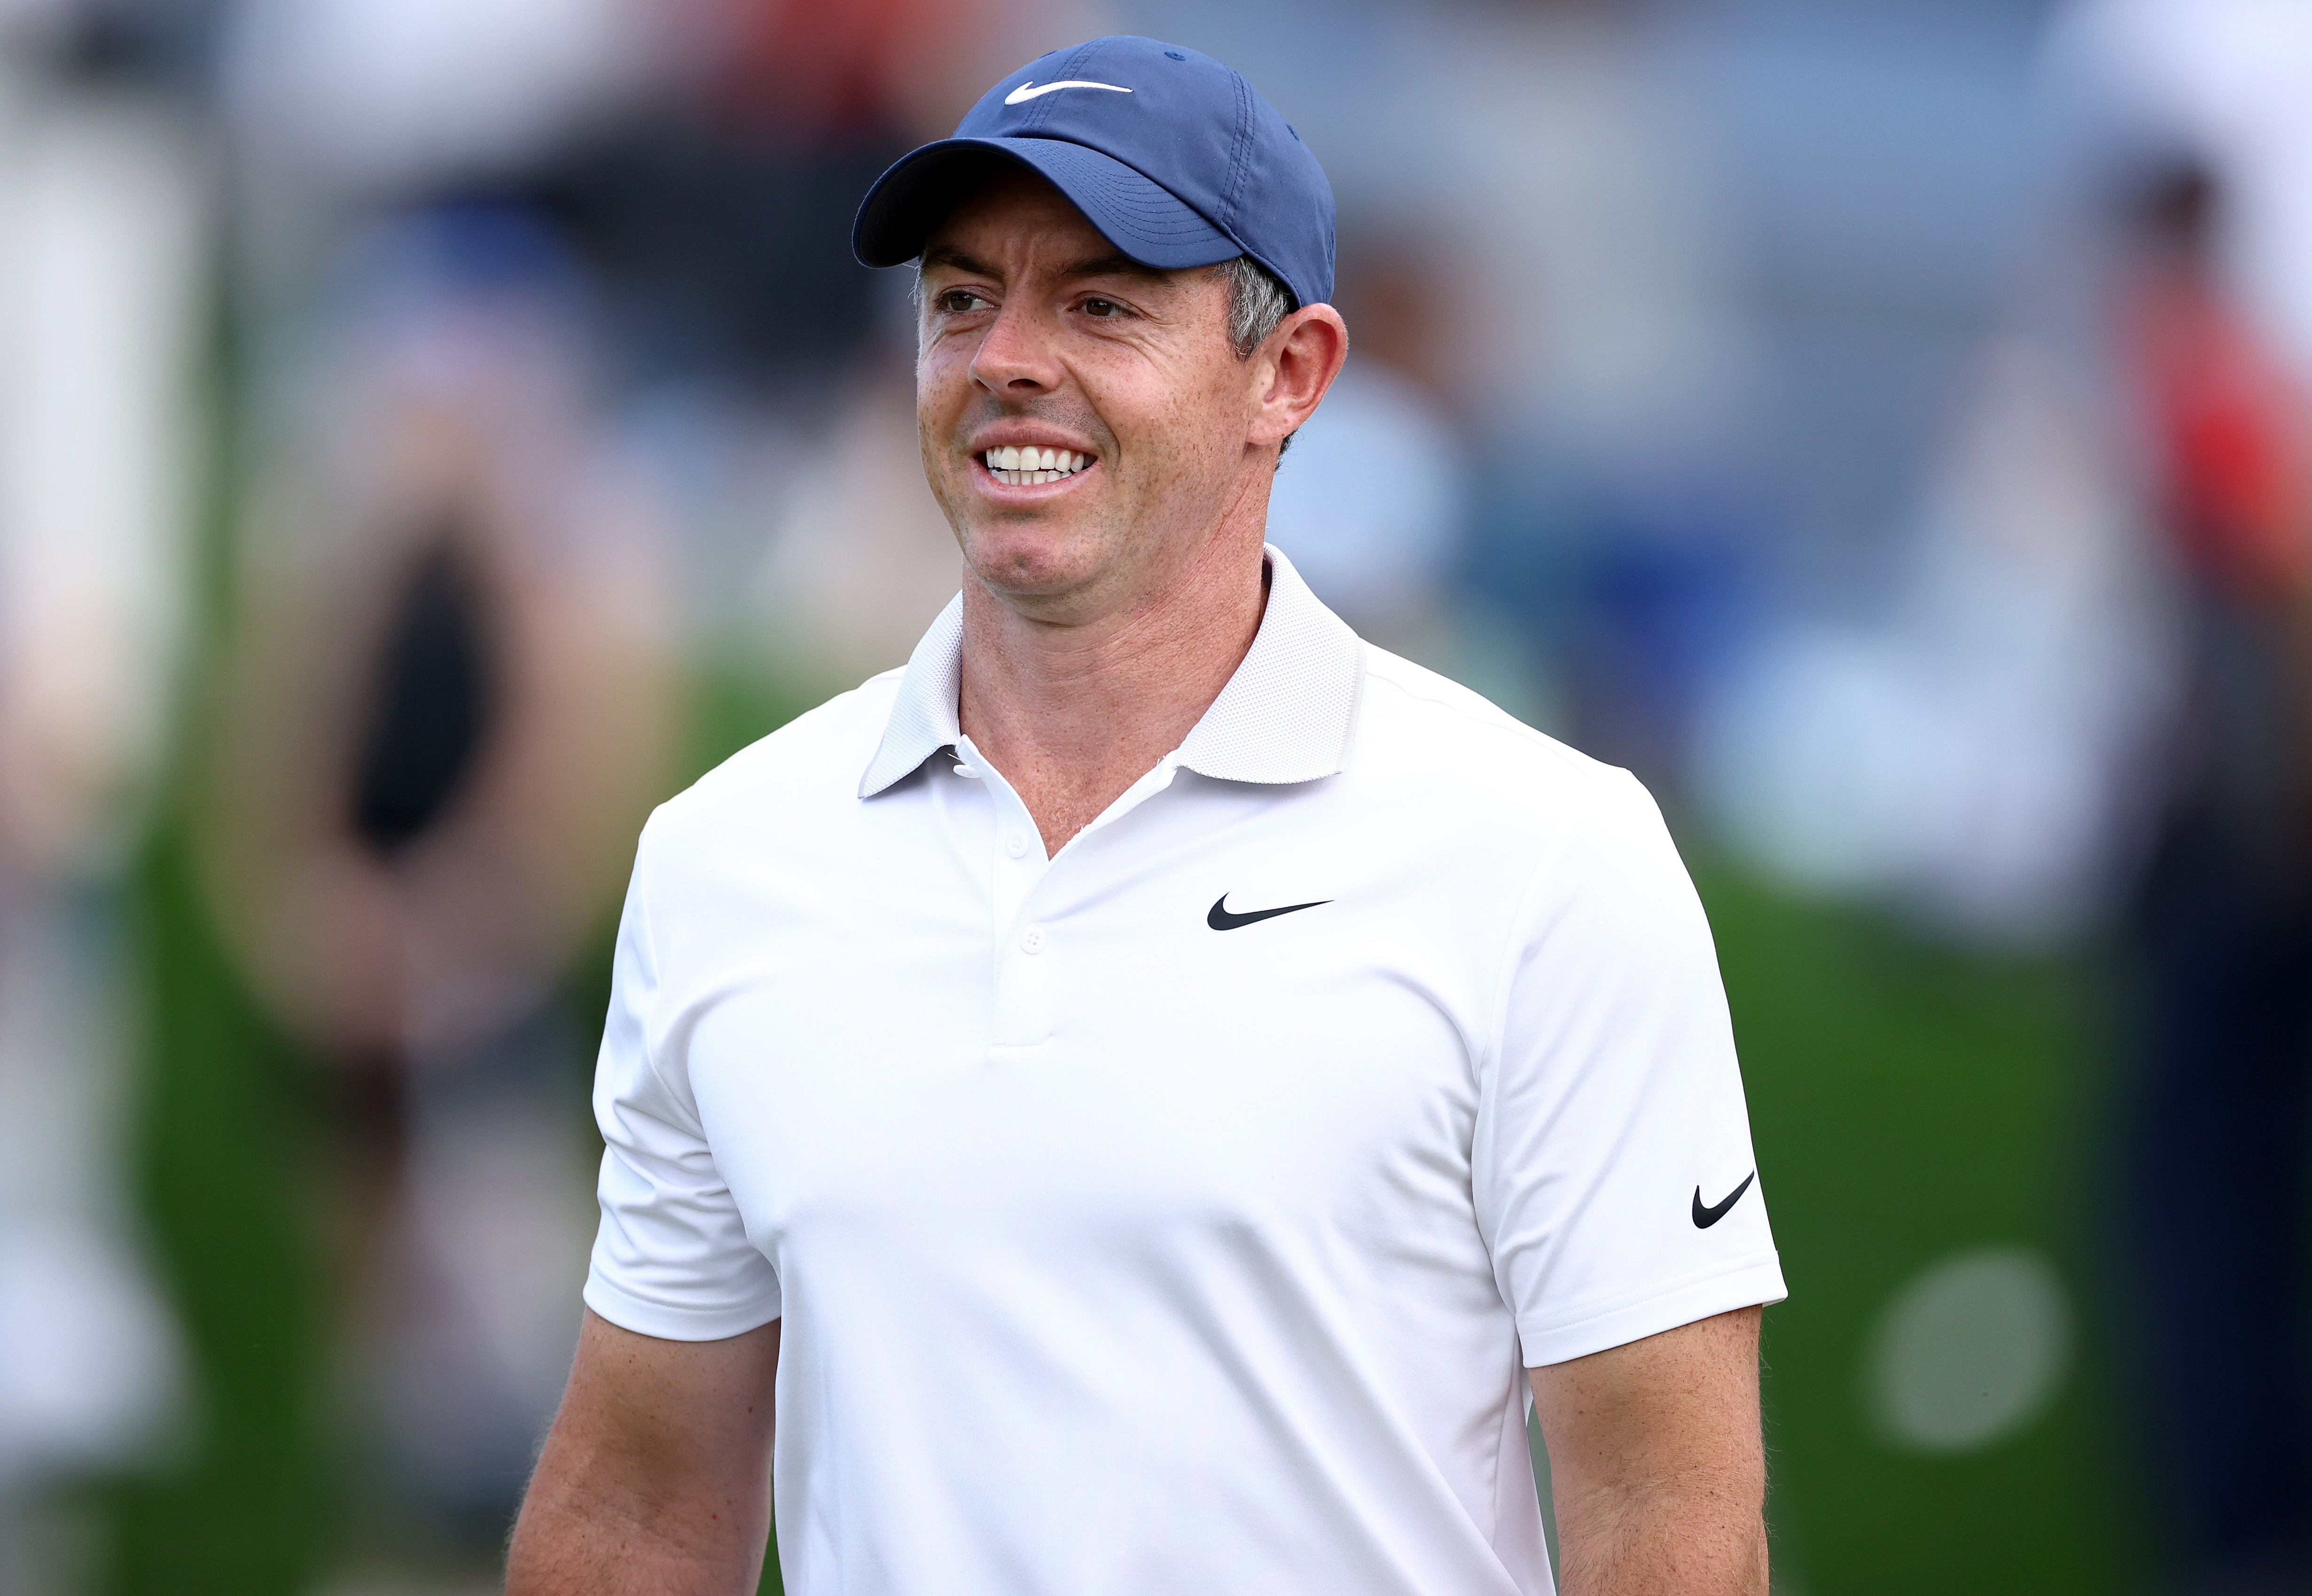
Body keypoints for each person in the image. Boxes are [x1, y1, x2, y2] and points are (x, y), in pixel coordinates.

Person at [507, 35, 1784, 1596]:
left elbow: (1671, 1527)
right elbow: (640, 1514)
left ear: (1290, 376)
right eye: (961, 298)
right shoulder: (730, 858)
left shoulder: (1547, 857)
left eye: (1102, 303)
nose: (1006, 358)